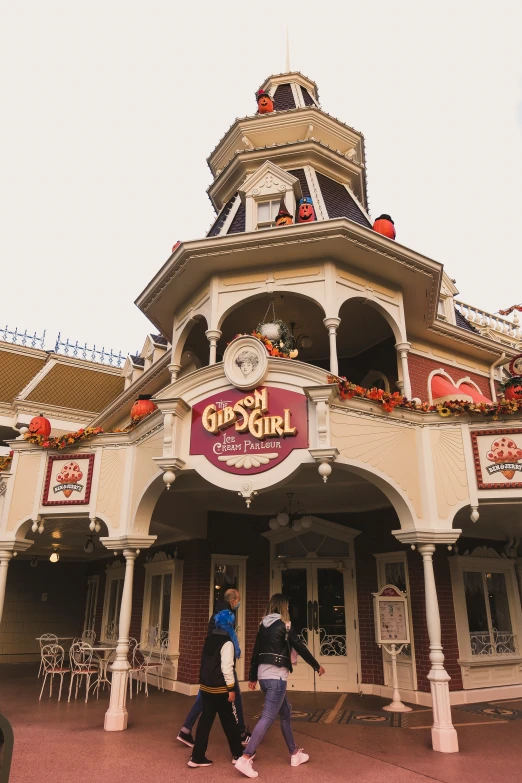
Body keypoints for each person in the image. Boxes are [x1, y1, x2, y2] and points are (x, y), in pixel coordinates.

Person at [234, 594, 325, 779]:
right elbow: (300, 647)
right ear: (283, 607)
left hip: (264, 677)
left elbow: (255, 651)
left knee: (286, 712)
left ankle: (294, 754)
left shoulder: (262, 626)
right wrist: (317, 666)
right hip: (277, 678)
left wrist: (252, 677)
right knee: (267, 717)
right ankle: (245, 758)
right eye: (288, 607)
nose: (289, 610)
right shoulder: (285, 626)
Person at [177, 588, 250, 747]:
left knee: (204, 697)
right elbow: (227, 639)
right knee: (234, 696)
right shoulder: (226, 615)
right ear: (233, 601)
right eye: (238, 600)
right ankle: (241, 733)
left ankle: (186, 729)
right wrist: (236, 651)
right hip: (221, 664)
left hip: (211, 662)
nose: (239, 603)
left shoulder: (217, 613)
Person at [188, 610, 244, 768]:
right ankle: (238, 754)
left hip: (206, 687)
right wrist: (231, 688)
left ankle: (197, 756)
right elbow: (227, 667)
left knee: (205, 722)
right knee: (230, 721)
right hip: (220, 689)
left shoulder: (209, 639)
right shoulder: (227, 642)